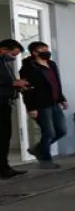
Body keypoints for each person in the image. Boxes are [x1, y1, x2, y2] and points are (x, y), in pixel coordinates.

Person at [19, 42, 68, 169]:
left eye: (47, 49)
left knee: (62, 130)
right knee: (49, 133)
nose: (46, 51)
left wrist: (62, 98)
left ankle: (37, 149)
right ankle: (46, 162)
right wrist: (31, 107)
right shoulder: (28, 68)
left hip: (54, 102)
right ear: (34, 52)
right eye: (42, 49)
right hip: (41, 104)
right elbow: (26, 90)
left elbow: (56, 83)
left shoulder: (51, 64)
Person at [0, 39, 29, 179]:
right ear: (4, 49)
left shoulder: (4, 63)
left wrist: (18, 85)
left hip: (6, 102)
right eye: (13, 54)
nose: (13, 58)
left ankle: (4, 167)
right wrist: (14, 83)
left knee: (5, 136)